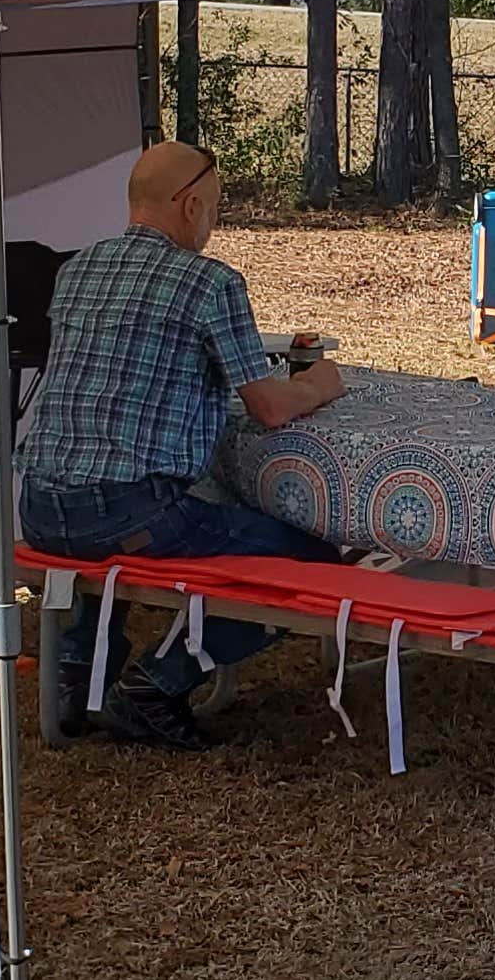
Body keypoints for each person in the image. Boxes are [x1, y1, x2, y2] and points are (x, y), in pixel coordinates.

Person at [19, 141, 348, 748]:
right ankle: (157, 681)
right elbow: (269, 407)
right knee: (313, 558)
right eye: (216, 209)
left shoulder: (76, 270)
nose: (214, 224)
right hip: (128, 513)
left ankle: (76, 677)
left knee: (102, 532)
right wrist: (320, 383)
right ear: (192, 204)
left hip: (38, 506)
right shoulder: (209, 282)